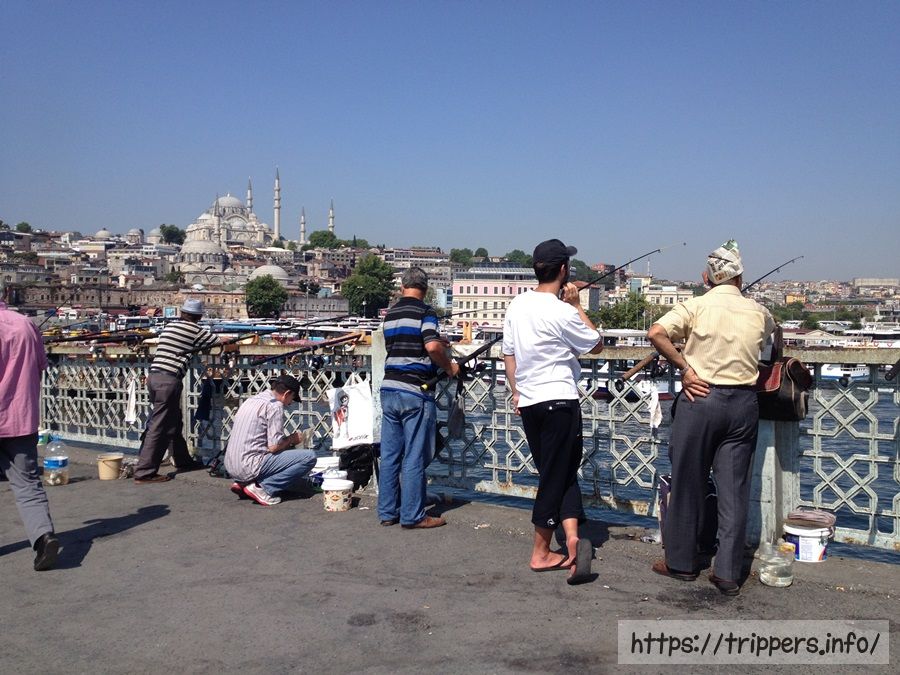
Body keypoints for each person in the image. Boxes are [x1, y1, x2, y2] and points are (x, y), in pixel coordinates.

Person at [648, 239, 775, 596]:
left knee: (688, 482)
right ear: (740, 278)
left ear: (707, 278)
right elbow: (768, 339)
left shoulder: (695, 306)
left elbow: (656, 332)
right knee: (734, 490)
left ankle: (682, 563)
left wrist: (685, 367)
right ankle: (728, 573)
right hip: (744, 404)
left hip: (700, 398)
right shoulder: (759, 311)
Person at [502, 239, 603, 584]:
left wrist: (517, 393)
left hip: (530, 402)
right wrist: (576, 306)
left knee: (560, 469)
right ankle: (541, 551)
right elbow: (595, 343)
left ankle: (572, 538)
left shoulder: (517, 304)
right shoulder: (562, 311)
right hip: (560, 400)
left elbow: (509, 354)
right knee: (553, 476)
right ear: (563, 270)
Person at [378, 267, 459, 529]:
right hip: (414, 391)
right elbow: (431, 346)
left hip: (389, 388)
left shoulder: (391, 314)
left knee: (390, 455)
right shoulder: (426, 312)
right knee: (414, 456)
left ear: (403, 287)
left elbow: (406, 344)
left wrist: (435, 342)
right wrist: (449, 367)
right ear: (425, 289)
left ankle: (388, 512)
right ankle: (413, 516)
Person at [0, 293, 60, 570]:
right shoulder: (26, 324)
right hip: (21, 418)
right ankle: (44, 537)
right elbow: (40, 366)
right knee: (28, 485)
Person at [133, 298, 221, 483]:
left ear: (182, 313)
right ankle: (144, 472)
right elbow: (218, 342)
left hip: (154, 377)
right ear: (199, 316)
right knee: (159, 426)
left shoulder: (170, 326)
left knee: (173, 421)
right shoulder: (194, 329)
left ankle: (182, 461)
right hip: (168, 381)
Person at [224, 374, 316, 506]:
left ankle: (244, 483)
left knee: (271, 451)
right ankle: (264, 488)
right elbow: (274, 447)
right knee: (309, 457)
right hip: (249, 466)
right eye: (292, 399)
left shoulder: (251, 400)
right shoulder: (275, 405)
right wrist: (292, 439)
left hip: (231, 465)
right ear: (287, 394)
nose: (290, 403)